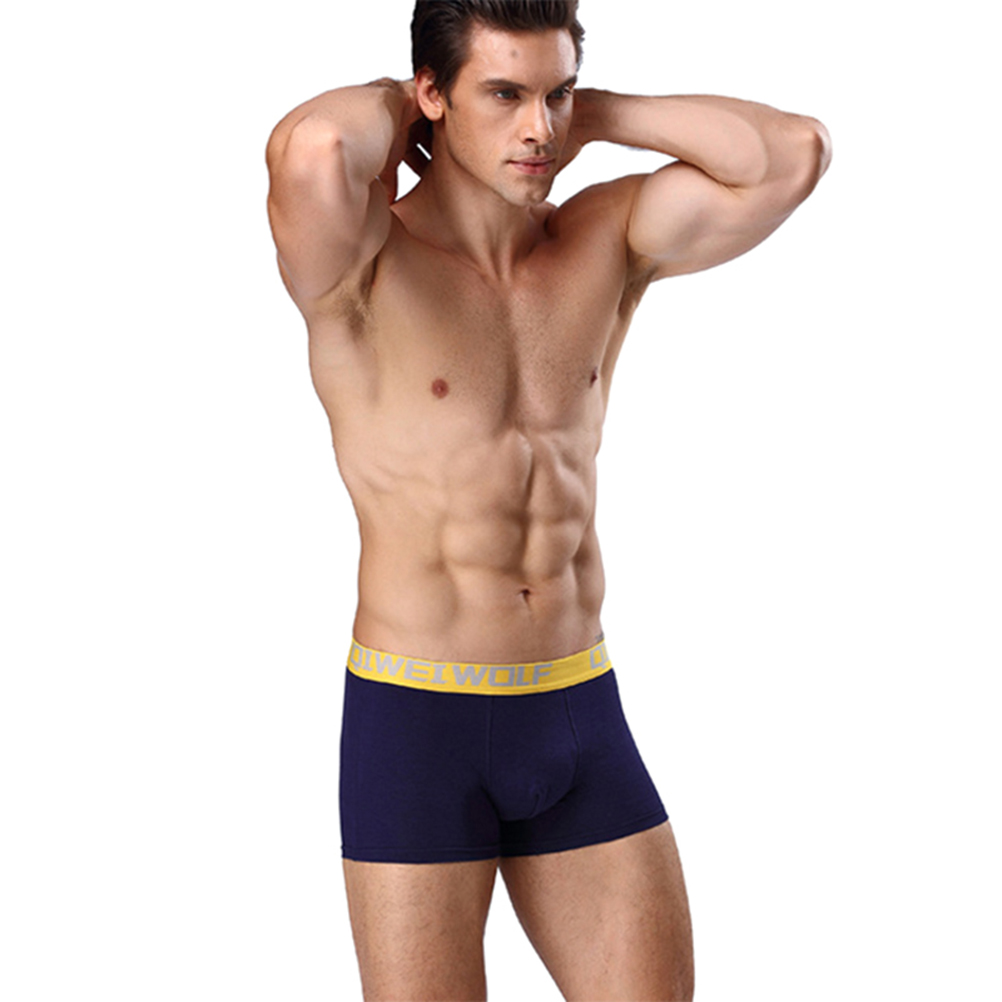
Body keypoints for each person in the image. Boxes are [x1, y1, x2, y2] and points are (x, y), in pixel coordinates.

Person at [266, 1, 830, 998]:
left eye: (555, 92)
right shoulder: (362, 261)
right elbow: (313, 148)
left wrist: (592, 114)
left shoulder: (603, 239)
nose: (538, 128)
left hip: (577, 704)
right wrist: (411, 108)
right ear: (432, 93)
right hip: (418, 721)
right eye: (503, 94)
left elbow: (794, 155)